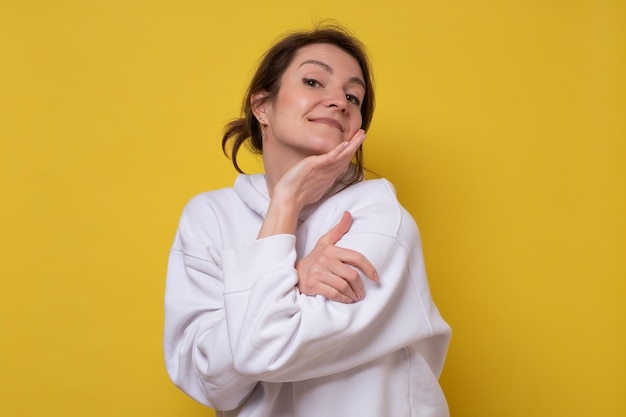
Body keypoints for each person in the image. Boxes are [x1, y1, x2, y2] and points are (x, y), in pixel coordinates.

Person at [163, 23, 451, 417]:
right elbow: (208, 382)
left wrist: (269, 282)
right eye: (314, 82)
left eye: (354, 95)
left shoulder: (376, 216)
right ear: (262, 106)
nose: (340, 101)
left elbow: (266, 348)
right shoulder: (210, 217)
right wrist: (295, 266)